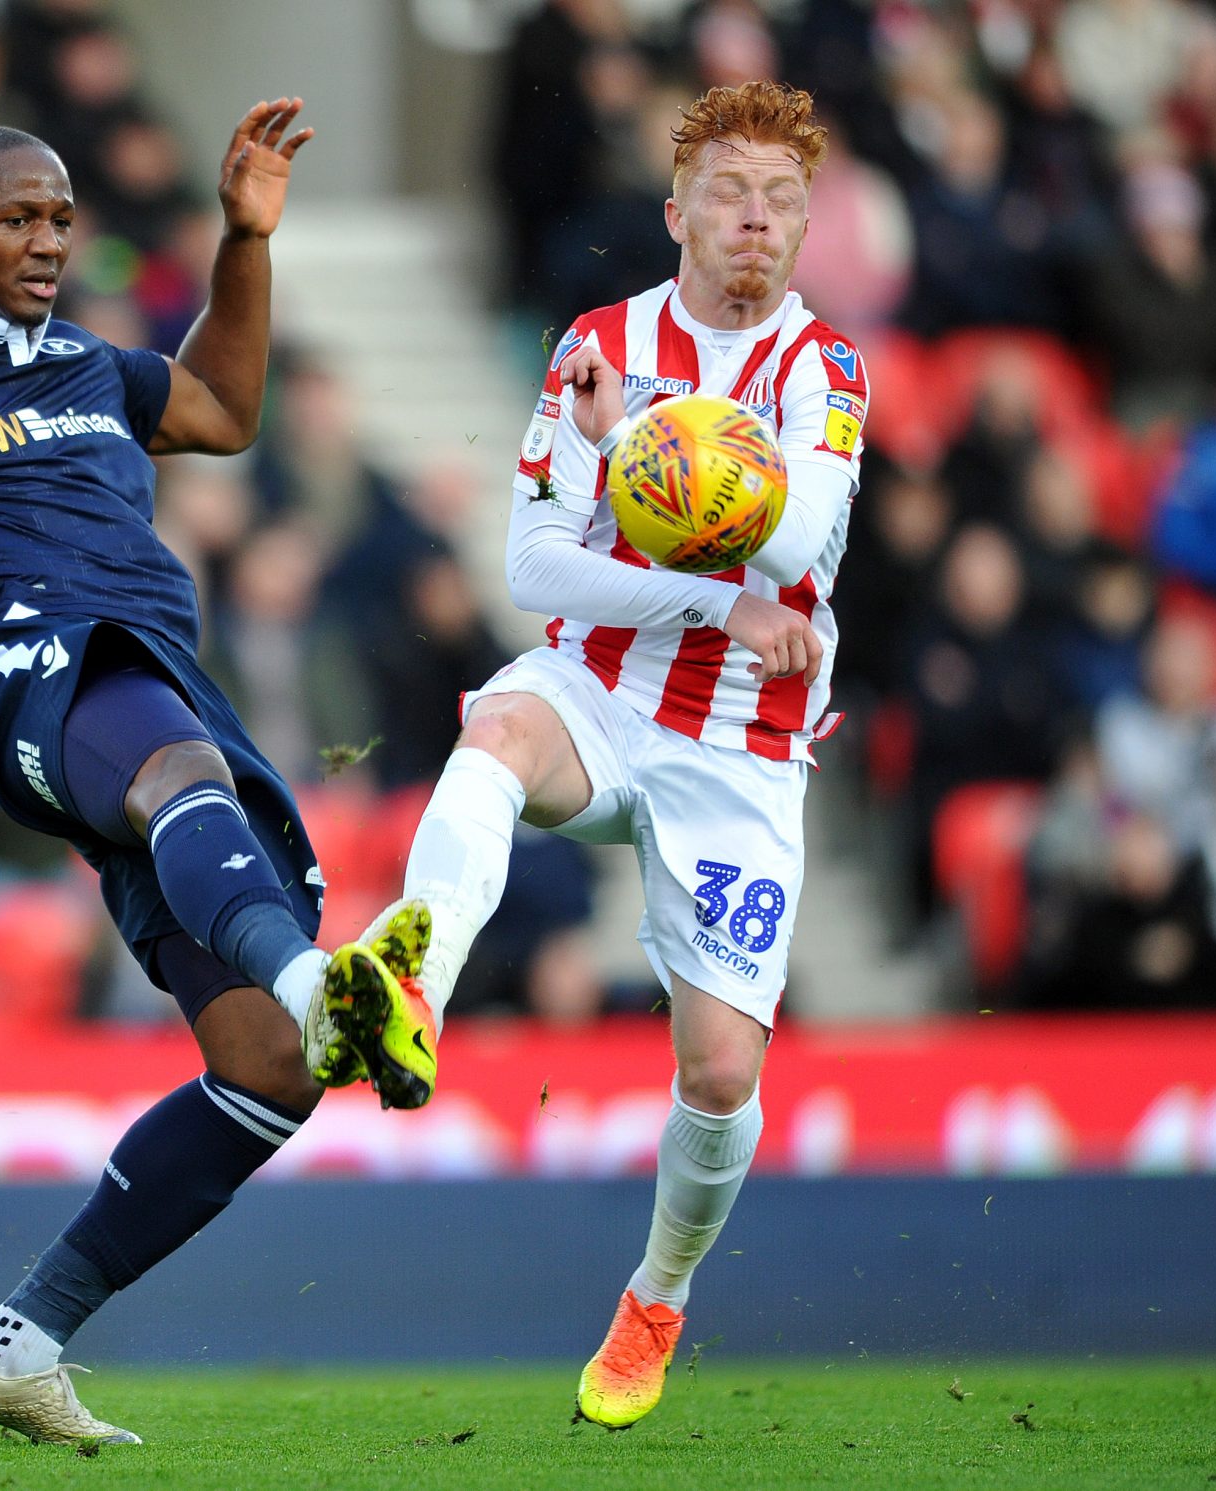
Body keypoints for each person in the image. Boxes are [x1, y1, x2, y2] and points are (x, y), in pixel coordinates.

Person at [0, 101, 433, 1446]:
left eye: (60, 217)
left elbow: (222, 408)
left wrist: (244, 241)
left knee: (268, 1073)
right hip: (34, 674)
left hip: (154, 685)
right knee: (182, 778)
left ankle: (20, 1340)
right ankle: (323, 986)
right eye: (17, 219)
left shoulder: (93, 366)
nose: (48, 240)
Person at [375, 80, 868, 1429]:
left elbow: (790, 537)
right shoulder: (598, 341)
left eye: (781, 201)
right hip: (596, 692)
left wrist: (634, 444)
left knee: (719, 1076)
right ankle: (413, 979)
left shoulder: (823, 372)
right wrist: (711, 594)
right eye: (729, 193)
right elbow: (536, 565)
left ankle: (657, 1296)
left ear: (806, 226)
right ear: (676, 214)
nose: (755, 219)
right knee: (493, 728)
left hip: (742, 745)